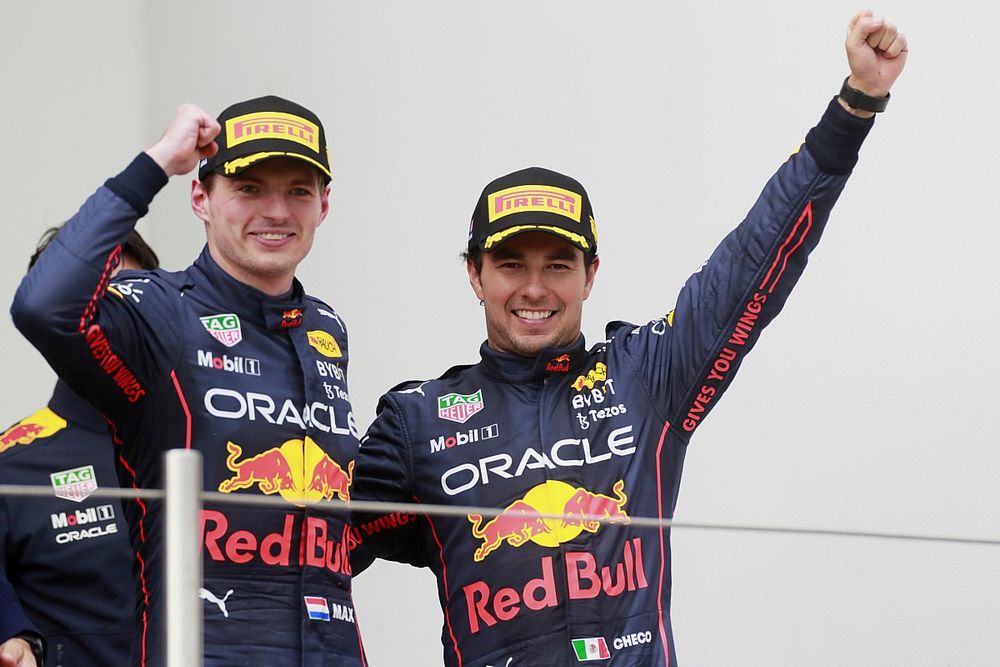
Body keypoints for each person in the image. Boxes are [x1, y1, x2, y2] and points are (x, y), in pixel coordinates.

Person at [351, 11, 908, 666]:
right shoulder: (417, 422)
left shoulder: (646, 376)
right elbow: (286, 548)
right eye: (510, 265)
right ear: (475, 274)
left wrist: (856, 104)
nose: (535, 287)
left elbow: (753, 262)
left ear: (591, 274)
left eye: (557, 264)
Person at [11, 96, 365, 666]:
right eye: (249, 188)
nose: (276, 210)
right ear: (201, 197)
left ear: (324, 205)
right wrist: (155, 164)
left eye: (298, 190)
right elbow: (44, 306)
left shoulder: (327, 327)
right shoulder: (159, 308)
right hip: (202, 648)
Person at [0, 229, 158, 667]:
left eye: (128, 298)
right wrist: (15, 638)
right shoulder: (11, 464)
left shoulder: (212, 442)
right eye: (87, 301)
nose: (109, 320)